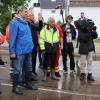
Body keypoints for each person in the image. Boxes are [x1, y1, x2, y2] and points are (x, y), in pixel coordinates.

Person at [9, 6, 38, 95]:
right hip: (19, 51)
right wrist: (12, 52)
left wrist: (31, 46)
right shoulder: (14, 23)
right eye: (25, 12)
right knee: (17, 70)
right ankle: (15, 87)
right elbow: (12, 39)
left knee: (28, 68)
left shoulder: (25, 22)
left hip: (28, 50)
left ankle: (28, 84)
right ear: (19, 12)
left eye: (27, 12)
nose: (27, 13)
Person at [74, 12, 98, 81]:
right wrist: (87, 30)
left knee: (90, 62)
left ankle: (89, 75)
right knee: (83, 62)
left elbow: (95, 37)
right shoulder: (81, 30)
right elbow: (82, 38)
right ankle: (82, 74)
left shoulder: (90, 30)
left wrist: (94, 31)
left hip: (90, 48)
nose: (90, 25)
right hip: (83, 48)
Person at [27, 10, 43, 78]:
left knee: (34, 59)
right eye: (32, 15)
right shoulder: (28, 22)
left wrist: (40, 20)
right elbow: (37, 27)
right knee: (30, 60)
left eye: (33, 15)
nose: (33, 16)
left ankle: (33, 71)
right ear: (28, 16)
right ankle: (30, 73)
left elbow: (39, 28)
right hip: (30, 45)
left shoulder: (32, 22)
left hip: (34, 44)